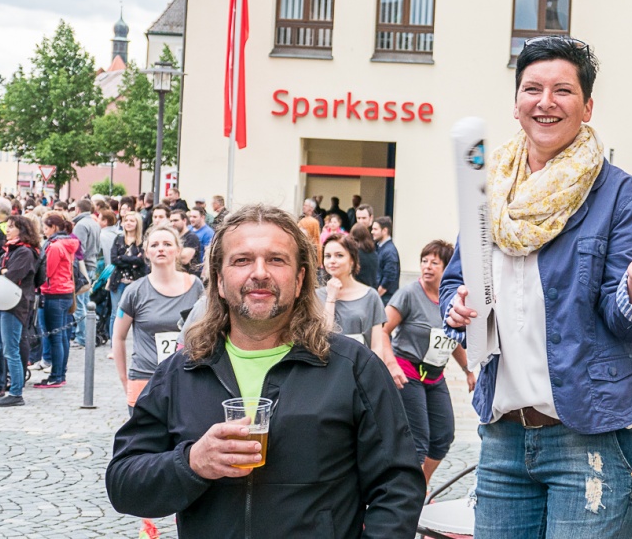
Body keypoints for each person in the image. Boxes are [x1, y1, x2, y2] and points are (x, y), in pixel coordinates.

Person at [441, 36, 632, 538]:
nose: (545, 102)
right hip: (504, 434)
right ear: (516, 103)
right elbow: (454, 281)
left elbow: (621, 321)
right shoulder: (488, 189)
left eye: (563, 90)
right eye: (532, 88)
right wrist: (457, 306)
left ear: (587, 106)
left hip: (594, 435)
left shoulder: (622, 196)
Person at [106, 203, 426, 537]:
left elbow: (398, 485)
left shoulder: (352, 368)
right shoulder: (181, 373)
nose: (260, 272)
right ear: (218, 281)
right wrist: (191, 463)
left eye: (276, 259)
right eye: (242, 260)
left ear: (301, 279)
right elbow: (124, 483)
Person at [384, 240, 474, 484]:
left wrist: (468, 370)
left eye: (435, 262)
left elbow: (453, 339)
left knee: (443, 436)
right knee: (418, 440)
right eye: (424, 261)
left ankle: (420, 485)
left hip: (435, 376)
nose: (427, 266)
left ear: (447, 268)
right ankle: (408, 497)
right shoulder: (409, 294)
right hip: (407, 372)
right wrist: (391, 365)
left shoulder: (450, 300)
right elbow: (382, 330)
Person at [113, 225, 204, 415]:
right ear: (146, 252)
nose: (160, 248)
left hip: (185, 376)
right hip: (145, 378)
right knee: (144, 441)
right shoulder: (134, 291)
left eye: (167, 244)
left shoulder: (195, 286)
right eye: (154, 245)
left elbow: (207, 329)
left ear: (178, 250)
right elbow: (119, 337)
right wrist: (124, 379)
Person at [319, 232, 389, 356]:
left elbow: (377, 345)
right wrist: (331, 299)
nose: (332, 261)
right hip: (326, 369)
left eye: (339, 255)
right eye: (327, 256)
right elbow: (323, 338)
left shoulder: (371, 296)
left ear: (352, 260)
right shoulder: (316, 296)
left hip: (360, 368)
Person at [0, 216, 40, 407]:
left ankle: (16, 391)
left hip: (14, 304)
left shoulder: (24, 252)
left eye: (12, 227)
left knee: (11, 349)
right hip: (7, 302)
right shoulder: (13, 250)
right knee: (9, 347)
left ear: (22, 231)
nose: (8, 230)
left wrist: (4, 271)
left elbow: (12, 275)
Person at [34, 214, 81, 389]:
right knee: (61, 337)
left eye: (45, 228)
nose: (44, 232)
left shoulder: (55, 247)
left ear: (53, 227)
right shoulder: (67, 243)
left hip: (55, 292)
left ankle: (57, 375)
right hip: (65, 292)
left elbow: (48, 271)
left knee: (56, 336)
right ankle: (59, 374)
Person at [109, 212, 149, 344]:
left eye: (132, 220)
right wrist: (132, 260)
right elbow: (114, 259)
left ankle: (139, 344)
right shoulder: (118, 239)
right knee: (116, 313)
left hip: (136, 281)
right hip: (118, 280)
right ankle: (114, 344)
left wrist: (123, 258)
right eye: (126, 220)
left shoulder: (142, 242)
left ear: (138, 223)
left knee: (140, 314)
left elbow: (142, 261)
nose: (128, 223)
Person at [71, 199, 100, 348]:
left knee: (81, 303)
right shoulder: (94, 223)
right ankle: (86, 335)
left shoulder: (81, 225)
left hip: (83, 267)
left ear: (77, 209)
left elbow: (77, 249)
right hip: (91, 263)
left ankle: (82, 337)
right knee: (86, 301)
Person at [373, 216, 401, 305]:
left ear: (384, 230)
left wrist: (376, 296)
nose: (372, 232)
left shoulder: (389, 251)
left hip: (385, 299)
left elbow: (389, 277)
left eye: (375, 229)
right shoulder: (379, 247)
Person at [170, 210, 203, 276]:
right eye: (171, 221)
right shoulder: (173, 237)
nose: (172, 224)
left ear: (184, 220)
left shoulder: (191, 237)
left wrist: (169, 254)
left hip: (189, 278)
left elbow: (184, 259)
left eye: (176, 220)